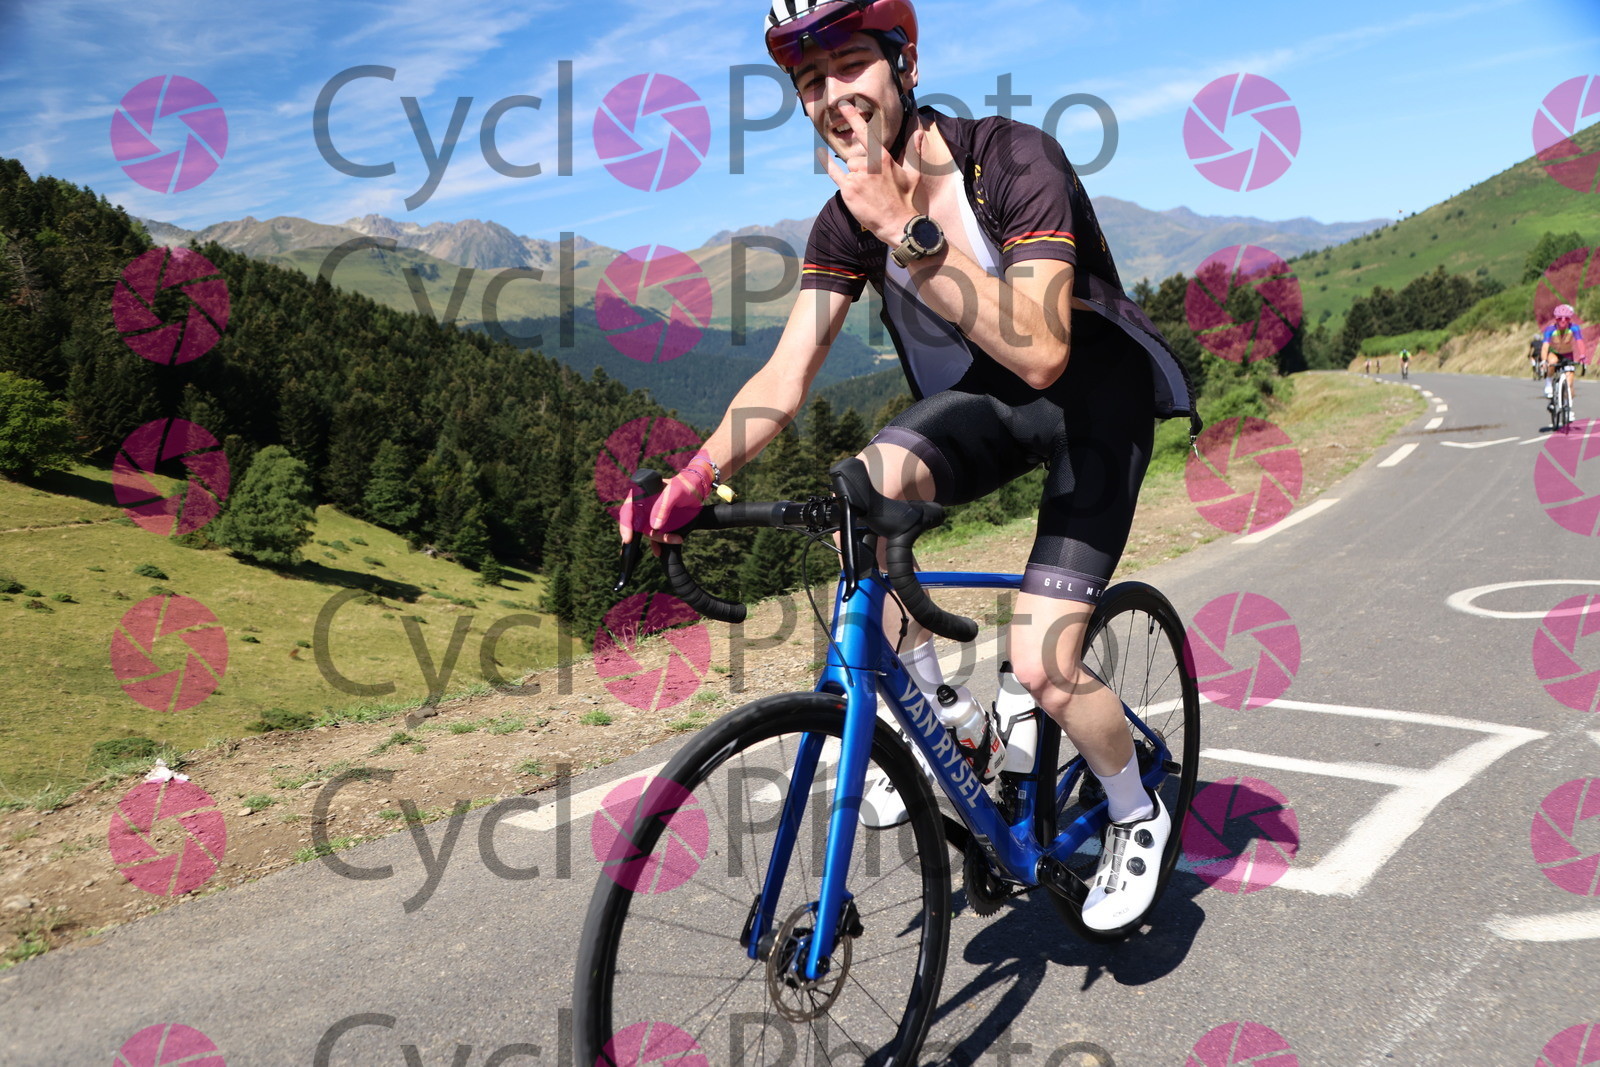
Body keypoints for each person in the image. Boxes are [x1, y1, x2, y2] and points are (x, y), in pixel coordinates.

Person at [620, 0, 1198, 932]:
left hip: (1094, 402)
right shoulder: (843, 221)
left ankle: (1136, 808)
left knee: (1042, 662)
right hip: (990, 404)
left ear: (907, 65)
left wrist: (905, 228)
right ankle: (947, 716)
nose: (832, 96)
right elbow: (786, 375)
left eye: (849, 65)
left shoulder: (1012, 159)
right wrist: (695, 478)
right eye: (810, 81)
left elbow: (1044, 352)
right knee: (861, 492)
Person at [1543, 304, 1584, 407]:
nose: (1563, 320)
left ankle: (1567, 405)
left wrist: (1582, 355)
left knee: (1570, 383)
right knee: (1552, 362)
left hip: (1568, 355)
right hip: (1554, 353)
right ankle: (1548, 382)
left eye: (1566, 318)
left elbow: (1580, 342)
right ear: (1555, 319)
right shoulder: (1550, 329)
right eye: (1559, 318)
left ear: (1570, 319)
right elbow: (1545, 346)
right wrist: (1544, 360)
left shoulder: (1574, 327)